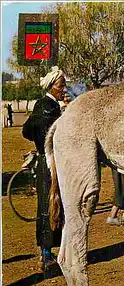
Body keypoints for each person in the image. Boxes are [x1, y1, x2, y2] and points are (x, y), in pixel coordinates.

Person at [22, 66, 66, 272]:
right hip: (51, 162)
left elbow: (26, 131)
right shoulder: (51, 107)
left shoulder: (40, 105)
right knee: (51, 205)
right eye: (61, 84)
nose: (63, 87)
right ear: (52, 86)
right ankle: (47, 255)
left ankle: (46, 253)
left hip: (42, 161)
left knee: (44, 205)